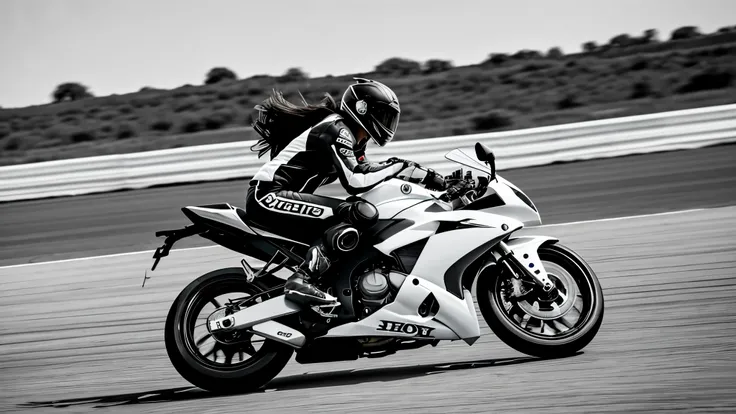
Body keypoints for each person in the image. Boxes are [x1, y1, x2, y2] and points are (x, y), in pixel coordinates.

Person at [246, 78, 440, 306]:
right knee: (353, 212)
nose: (387, 122)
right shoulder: (336, 129)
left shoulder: (354, 138)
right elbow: (356, 181)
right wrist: (399, 166)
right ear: (362, 109)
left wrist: (430, 178)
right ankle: (301, 279)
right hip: (268, 196)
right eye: (382, 114)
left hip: (282, 197)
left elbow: (368, 171)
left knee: (360, 216)